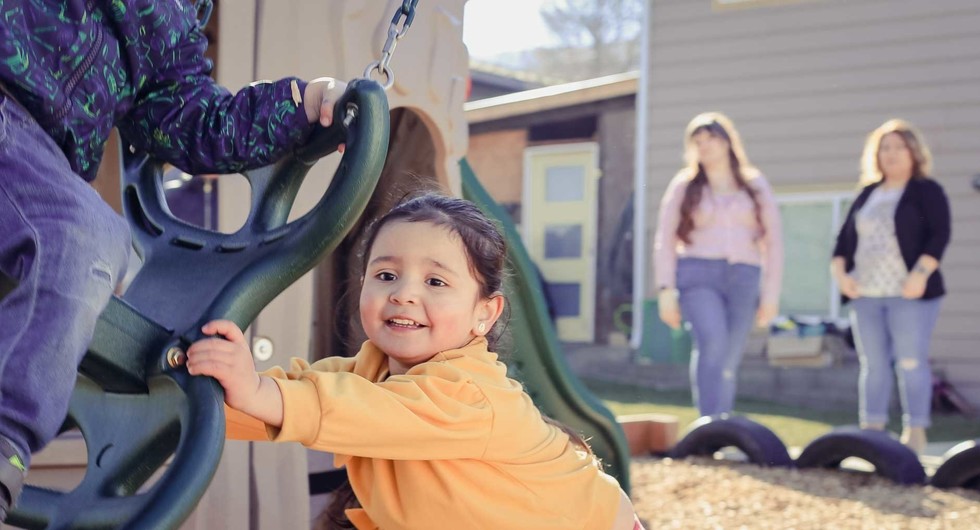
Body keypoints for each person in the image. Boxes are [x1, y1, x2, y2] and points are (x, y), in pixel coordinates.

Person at [0, 0, 348, 519]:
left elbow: (192, 120)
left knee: (98, 241)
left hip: (40, 162)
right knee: (79, 233)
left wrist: (299, 103)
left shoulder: (174, 19)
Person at [186, 194, 643, 530]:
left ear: (484, 313)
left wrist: (258, 392)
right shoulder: (366, 374)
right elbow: (288, 396)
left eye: (436, 282)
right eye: (386, 275)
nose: (403, 293)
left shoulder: (467, 393)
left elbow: (346, 409)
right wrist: (186, 399)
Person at [653, 112, 784, 418]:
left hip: (745, 276)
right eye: (697, 142)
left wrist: (771, 294)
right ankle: (708, 423)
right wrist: (665, 290)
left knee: (730, 356)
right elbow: (665, 240)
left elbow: (774, 241)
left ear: (727, 142)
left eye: (711, 139)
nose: (704, 146)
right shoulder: (685, 186)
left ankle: (722, 425)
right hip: (698, 275)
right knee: (713, 343)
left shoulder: (754, 185)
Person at [831, 119, 950, 455]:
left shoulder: (926, 191)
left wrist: (920, 273)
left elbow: (939, 235)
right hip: (866, 295)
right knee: (873, 365)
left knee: (911, 362)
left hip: (909, 295)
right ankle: (873, 432)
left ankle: (915, 432)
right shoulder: (867, 194)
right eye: (885, 147)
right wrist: (842, 276)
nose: (891, 154)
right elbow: (841, 245)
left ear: (913, 152)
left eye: (899, 147)